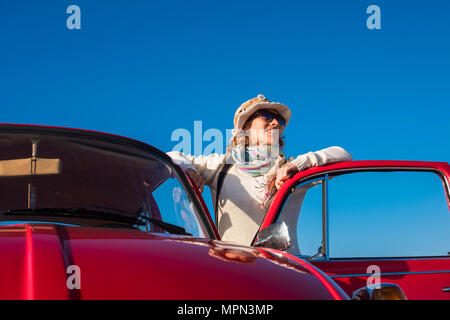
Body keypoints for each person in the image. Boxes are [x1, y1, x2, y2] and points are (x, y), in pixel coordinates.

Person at [167, 94, 352, 246]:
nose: (275, 123)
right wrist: (190, 171)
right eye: (265, 116)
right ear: (245, 127)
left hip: (286, 271)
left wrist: (298, 165)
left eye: (278, 119)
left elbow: (343, 154)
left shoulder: (293, 168)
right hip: (234, 271)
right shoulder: (221, 166)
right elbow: (172, 156)